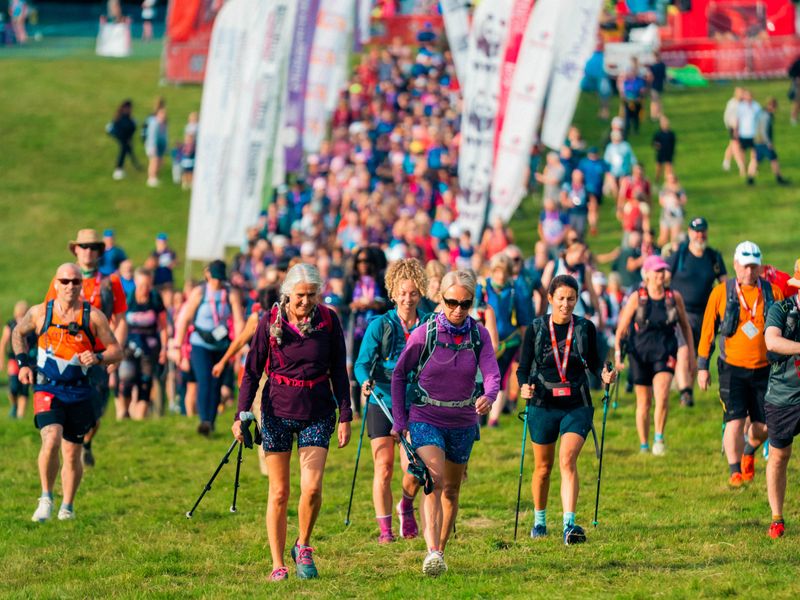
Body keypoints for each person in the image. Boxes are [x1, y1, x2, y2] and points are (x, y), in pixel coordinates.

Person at [233, 264, 352, 582]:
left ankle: (303, 545)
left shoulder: (328, 320)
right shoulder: (270, 322)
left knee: (311, 488)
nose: (305, 301)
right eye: (300, 295)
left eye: (312, 294)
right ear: (288, 293)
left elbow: (339, 370)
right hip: (276, 411)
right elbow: (252, 370)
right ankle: (277, 563)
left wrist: (346, 414)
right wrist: (241, 413)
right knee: (280, 492)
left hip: (318, 410)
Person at [391, 270, 500, 576]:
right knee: (434, 479)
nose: (457, 309)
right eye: (451, 302)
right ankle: (431, 552)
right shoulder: (424, 333)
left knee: (451, 489)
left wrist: (489, 395)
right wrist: (401, 421)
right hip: (426, 415)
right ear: (441, 299)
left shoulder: (479, 334)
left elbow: (491, 372)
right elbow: (400, 374)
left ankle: (440, 550)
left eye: (464, 304)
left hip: (463, 419)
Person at [13, 263, 122, 522]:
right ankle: (46, 499)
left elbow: (116, 351)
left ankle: (68, 507)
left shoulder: (93, 316)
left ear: (80, 285)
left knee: (72, 453)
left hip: (79, 390)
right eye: (64, 281)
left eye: (75, 282)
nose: (70, 286)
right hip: (47, 386)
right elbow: (18, 332)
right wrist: (22, 364)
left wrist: (96, 357)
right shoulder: (41, 312)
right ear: (56, 283)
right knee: (51, 438)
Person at [517, 275, 617, 544]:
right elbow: (523, 368)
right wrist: (523, 387)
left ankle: (569, 525)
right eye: (560, 298)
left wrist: (605, 375)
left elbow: (596, 364)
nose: (565, 304)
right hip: (542, 403)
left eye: (571, 299)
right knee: (543, 468)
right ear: (550, 299)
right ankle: (539, 520)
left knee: (567, 459)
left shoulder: (585, 328)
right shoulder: (536, 328)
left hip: (577, 402)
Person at [354, 259, 429, 543]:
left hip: (415, 401)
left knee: (413, 466)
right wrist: (365, 381)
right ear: (393, 293)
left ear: (420, 293)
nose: (407, 299)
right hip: (382, 399)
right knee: (383, 466)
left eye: (413, 293)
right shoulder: (380, 325)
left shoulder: (429, 323)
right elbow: (362, 364)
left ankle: (406, 505)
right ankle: (385, 530)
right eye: (402, 292)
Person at [697, 241, 782, 487]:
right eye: (744, 266)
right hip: (731, 368)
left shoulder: (771, 292)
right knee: (734, 419)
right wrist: (703, 366)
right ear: (735, 265)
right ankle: (735, 471)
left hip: (765, 368)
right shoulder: (721, 293)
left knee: (765, 425)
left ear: (760, 267)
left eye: (754, 267)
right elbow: (707, 332)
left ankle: (749, 450)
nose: (749, 272)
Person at [45, 229, 128, 468]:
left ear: (99, 252)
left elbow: (121, 319)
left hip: (98, 355)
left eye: (93, 247)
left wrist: (116, 353)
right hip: (66, 355)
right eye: (84, 247)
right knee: (64, 405)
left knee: (95, 411)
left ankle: (85, 443)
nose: (88, 251)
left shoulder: (110, 282)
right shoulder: (61, 279)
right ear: (76, 250)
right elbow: (48, 313)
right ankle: (70, 452)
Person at [615, 255, 694, 455]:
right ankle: (643, 444)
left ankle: (658, 438)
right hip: (639, 354)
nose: (661, 274)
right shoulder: (637, 298)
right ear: (647, 274)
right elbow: (621, 329)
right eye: (657, 271)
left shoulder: (673, 297)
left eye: (663, 270)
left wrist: (692, 354)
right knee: (644, 402)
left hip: (665, 351)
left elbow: (685, 326)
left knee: (663, 395)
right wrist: (617, 355)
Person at [172, 260, 244, 435]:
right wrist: (177, 345)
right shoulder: (200, 292)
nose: (217, 283)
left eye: (221, 279)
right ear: (208, 275)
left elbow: (238, 320)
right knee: (204, 379)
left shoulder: (230, 293)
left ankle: (211, 421)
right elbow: (185, 319)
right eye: (215, 278)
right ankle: (204, 420)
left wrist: (239, 345)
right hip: (200, 343)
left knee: (216, 383)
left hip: (221, 345)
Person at [666, 217, 727, 407]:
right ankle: (685, 391)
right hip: (680, 313)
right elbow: (664, 276)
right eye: (696, 231)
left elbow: (725, 285)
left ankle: (687, 390)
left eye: (703, 231)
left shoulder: (713, 257)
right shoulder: (680, 254)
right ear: (690, 232)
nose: (700, 235)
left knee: (699, 354)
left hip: (706, 315)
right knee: (683, 350)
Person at [763, 271, 800, 538]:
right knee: (779, 456)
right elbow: (772, 340)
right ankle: (777, 518)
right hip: (783, 395)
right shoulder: (781, 308)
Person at [477, 254, 533, 427]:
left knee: (499, 376)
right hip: (483, 341)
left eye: (504, 272)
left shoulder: (516, 290)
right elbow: (473, 310)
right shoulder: (483, 287)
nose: (501, 276)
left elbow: (524, 319)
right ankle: (479, 415)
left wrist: (526, 345)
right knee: (480, 378)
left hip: (509, 341)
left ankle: (494, 419)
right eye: (497, 272)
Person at [116, 268, 166, 420]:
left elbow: (163, 326)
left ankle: (140, 418)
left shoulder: (155, 298)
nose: (145, 289)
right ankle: (124, 413)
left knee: (145, 381)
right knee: (126, 378)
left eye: (148, 285)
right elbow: (120, 324)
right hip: (129, 345)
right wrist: (117, 346)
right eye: (142, 285)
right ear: (136, 283)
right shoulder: (128, 299)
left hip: (150, 347)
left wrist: (164, 348)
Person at [0, 301, 36, 418]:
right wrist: (1, 361)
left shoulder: (32, 326)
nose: (20, 319)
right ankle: (14, 405)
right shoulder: (10, 325)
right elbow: (3, 343)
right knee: (14, 387)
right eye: (18, 316)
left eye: (23, 316)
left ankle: (20, 417)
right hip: (13, 359)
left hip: (29, 360)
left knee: (24, 388)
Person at [754, 97, 790, 185]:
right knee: (774, 159)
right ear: (772, 107)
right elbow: (763, 131)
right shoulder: (767, 116)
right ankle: (779, 178)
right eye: (775, 108)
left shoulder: (762, 113)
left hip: (758, 142)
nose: (775, 110)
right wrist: (769, 143)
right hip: (763, 142)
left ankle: (750, 179)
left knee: (757, 160)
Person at [107, 100, 140, 180]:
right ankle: (118, 170)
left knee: (127, 149)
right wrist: (128, 140)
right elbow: (124, 130)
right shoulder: (123, 119)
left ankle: (135, 164)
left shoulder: (126, 117)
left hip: (122, 135)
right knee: (124, 149)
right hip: (119, 135)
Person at [734, 89, 760, 185]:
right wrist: (736, 131)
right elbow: (738, 119)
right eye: (746, 96)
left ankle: (752, 169)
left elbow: (759, 119)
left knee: (754, 153)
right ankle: (743, 168)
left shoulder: (756, 106)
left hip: (754, 133)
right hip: (743, 133)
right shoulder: (741, 107)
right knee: (743, 152)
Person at [145, 106, 168, 187]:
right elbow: (152, 136)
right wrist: (153, 147)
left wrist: (165, 146)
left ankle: (155, 176)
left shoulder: (163, 123)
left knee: (159, 162)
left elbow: (165, 136)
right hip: (154, 146)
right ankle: (151, 178)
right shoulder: (154, 123)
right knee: (153, 162)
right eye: (162, 113)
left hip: (160, 145)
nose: (163, 115)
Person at [651, 115, 675, 183]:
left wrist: (672, 153)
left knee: (669, 169)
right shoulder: (658, 134)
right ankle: (657, 180)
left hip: (668, 154)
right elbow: (653, 143)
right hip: (661, 153)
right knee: (659, 169)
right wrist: (657, 145)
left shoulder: (671, 134)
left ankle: (668, 181)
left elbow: (673, 144)